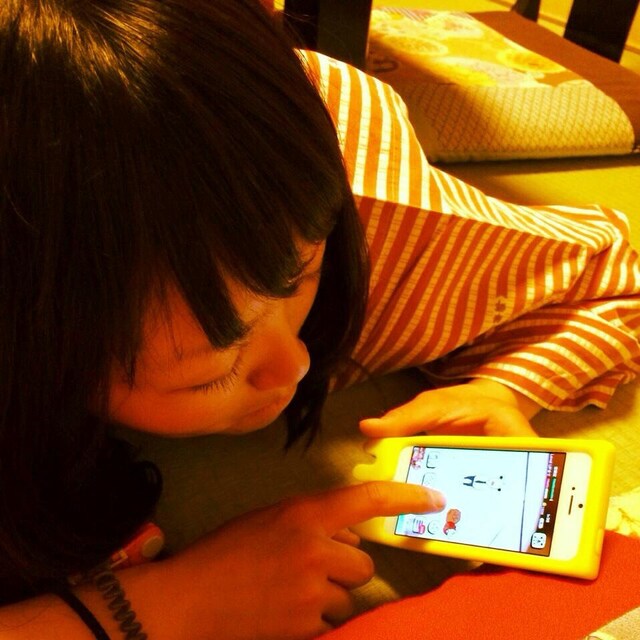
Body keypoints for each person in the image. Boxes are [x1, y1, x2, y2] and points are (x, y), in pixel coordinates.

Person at [0, 0, 638, 638]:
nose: (296, 364)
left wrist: (502, 389)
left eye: (299, 277)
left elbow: (613, 276)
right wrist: (171, 603)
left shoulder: (380, 226)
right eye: (210, 372)